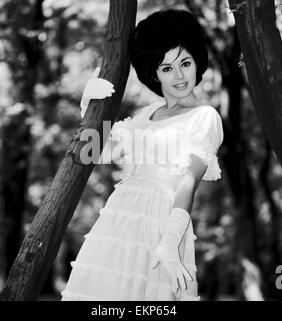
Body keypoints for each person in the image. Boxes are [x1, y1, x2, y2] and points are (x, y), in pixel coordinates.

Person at [61, 9, 223, 301]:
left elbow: (189, 181)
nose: (179, 75)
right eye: (167, 68)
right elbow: (92, 152)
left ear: (197, 62)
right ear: (153, 73)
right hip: (119, 217)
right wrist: (88, 108)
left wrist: (171, 243)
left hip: (162, 221)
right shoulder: (145, 115)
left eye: (185, 63)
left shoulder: (205, 117)